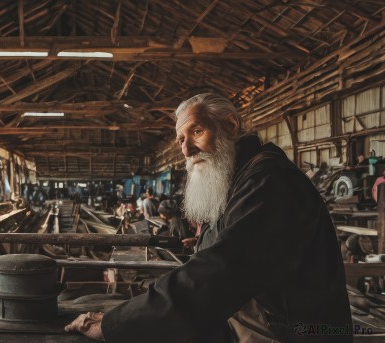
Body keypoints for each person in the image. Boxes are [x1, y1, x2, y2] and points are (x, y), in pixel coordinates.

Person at [65, 93, 351, 342]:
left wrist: (116, 324)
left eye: (197, 132)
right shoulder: (239, 179)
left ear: (230, 125)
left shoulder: (269, 181)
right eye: (181, 140)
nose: (187, 150)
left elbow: (224, 269)